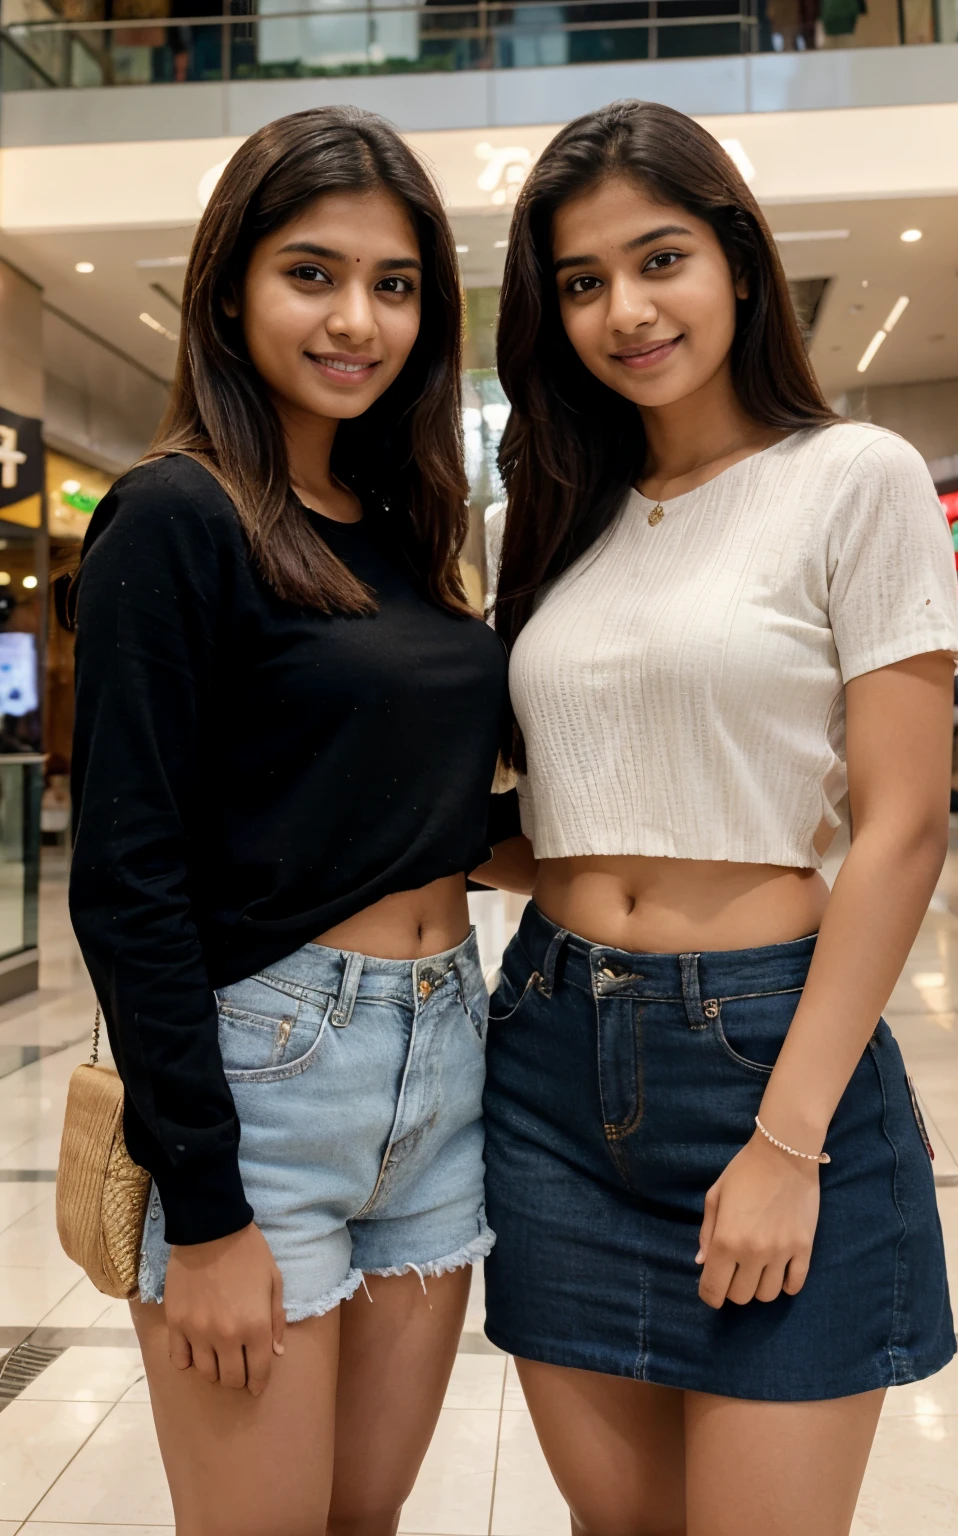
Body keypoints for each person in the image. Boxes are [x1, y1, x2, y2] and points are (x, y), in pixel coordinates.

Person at [475, 99, 958, 1536]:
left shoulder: (852, 480)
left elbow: (902, 828)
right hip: (551, 1062)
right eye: (580, 281)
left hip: (764, 1058)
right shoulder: (561, 519)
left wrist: (790, 1139)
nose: (625, 309)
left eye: (661, 257)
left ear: (738, 264)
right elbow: (570, 815)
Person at [69, 106, 512, 1536]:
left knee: (363, 1520)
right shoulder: (177, 516)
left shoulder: (399, 524)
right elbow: (127, 877)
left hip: (445, 1064)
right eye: (312, 274)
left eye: (394, 285)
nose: (357, 320)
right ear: (229, 289)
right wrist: (204, 1207)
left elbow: (404, 810)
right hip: (270, 1079)